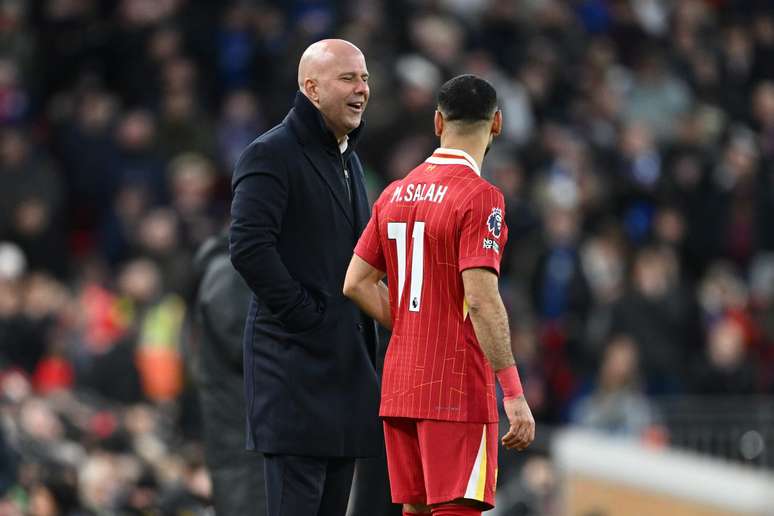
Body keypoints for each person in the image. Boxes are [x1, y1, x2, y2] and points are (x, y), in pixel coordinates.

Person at [343, 74, 536, 516]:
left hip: (400, 386)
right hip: (455, 386)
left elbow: (355, 281)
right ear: (498, 124)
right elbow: (483, 298)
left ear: (437, 122)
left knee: (416, 510)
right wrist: (514, 392)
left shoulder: (396, 192)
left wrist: (413, 325)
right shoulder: (480, 197)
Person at [229, 39, 388, 516]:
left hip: (342, 378)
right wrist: (309, 318)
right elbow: (249, 248)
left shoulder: (349, 160)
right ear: (311, 88)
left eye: (364, 78)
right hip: (295, 376)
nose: (362, 89)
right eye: (348, 78)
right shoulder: (271, 153)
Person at [188, 232, 265, 516]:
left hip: (242, 437)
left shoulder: (226, 272)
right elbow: (243, 347)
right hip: (240, 442)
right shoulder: (226, 273)